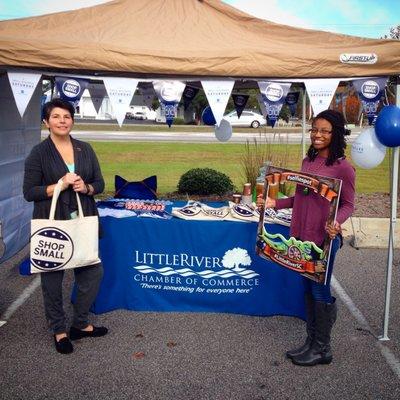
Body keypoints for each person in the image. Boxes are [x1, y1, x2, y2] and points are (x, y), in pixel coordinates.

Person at [263, 109, 355, 366]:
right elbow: (299, 198)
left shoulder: (343, 168)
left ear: (335, 134)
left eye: (325, 131)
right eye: (315, 129)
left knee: (319, 289)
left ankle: (323, 348)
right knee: (306, 287)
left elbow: (348, 204)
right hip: (301, 238)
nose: (318, 134)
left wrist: (336, 222)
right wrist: (275, 202)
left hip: (322, 240)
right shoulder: (307, 162)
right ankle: (311, 341)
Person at [23, 98, 108, 355]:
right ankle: (59, 329)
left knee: (92, 273)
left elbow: (100, 183)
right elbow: (29, 192)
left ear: (72, 120)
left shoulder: (85, 148)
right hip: (54, 223)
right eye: (56, 116)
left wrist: (88, 187)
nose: (62, 121)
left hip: (83, 219)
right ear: (46, 122)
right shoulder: (39, 153)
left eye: (67, 116)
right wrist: (58, 185)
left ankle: (80, 324)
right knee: (52, 278)